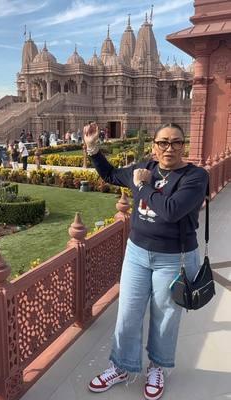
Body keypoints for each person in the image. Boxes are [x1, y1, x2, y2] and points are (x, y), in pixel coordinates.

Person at [83, 122, 208, 400]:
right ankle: (121, 366)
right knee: (128, 312)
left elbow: (171, 210)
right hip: (137, 253)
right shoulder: (145, 168)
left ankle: (157, 367)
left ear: (183, 146)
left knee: (165, 317)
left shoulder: (194, 176)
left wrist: (141, 186)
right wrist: (93, 149)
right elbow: (111, 175)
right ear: (154, 146)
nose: (169, 148)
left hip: (174, 258)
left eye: (176, 142)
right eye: (163, 142)